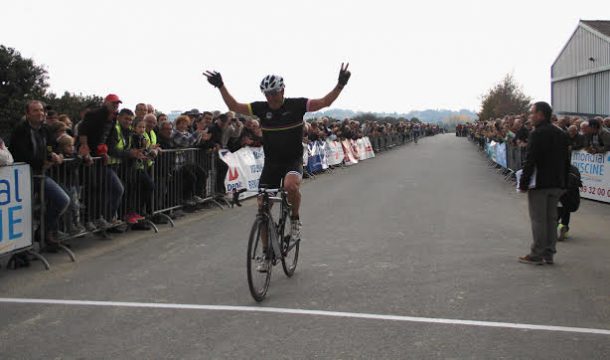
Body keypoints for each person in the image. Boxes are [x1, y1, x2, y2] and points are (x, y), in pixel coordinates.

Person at [203, 63, 351, 270]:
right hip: (272, 163)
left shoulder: (297, 105)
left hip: (292, 159)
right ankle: (266, 254)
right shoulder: (261, 109)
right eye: (266, 93)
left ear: (282, 90)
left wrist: (340, 84)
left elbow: (325, 102)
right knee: (262, 208)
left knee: (291, 186)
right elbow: (235, 106)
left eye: (273, 92)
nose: (270, 97)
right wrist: (221, 86)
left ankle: (296, 220)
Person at [9, 100, 70, 248]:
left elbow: (52, 147)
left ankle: (43, 231)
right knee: (23, 212)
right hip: (22, 177)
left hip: (41, 175)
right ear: (27, 113)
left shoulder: (45, 130)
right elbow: (21, 154)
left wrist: (56, 155)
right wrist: (43, 161)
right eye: (35, 110)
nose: (40, 113)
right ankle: (21, 248)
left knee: (63, 200)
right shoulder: (20, 130)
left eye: (41, 110)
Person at [518, 102, 570, 265]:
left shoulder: (537, 133)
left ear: (541, 114)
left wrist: (523, 182)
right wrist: (564, 182)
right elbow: (566, 160)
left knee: (538, 219)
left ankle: (537, 253)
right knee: (551, 219)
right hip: (556, 182)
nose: (530, 116)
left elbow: (530, 160)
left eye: (532, 113)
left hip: (540, 182)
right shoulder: (561, 133)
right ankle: (549, 253)